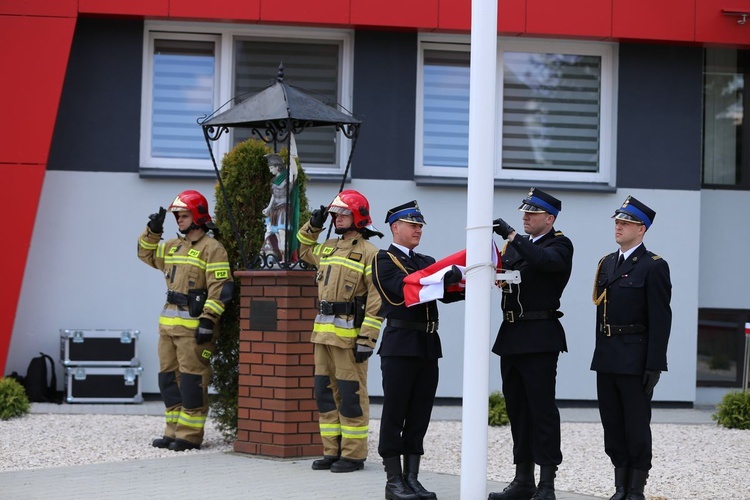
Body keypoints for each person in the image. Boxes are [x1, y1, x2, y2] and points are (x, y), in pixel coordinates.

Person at [372, 201, 465, 500]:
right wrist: (438, 279)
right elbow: (401, 290)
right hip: (400, 344)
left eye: (420, 225)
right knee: (395, 412)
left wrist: (462, 280)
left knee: (420, 414)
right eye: (412, 224)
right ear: (394, 227)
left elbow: (445, 294)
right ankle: (393, 480)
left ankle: (412, 477)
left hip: (427, 345)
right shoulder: (384, 260)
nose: (418, 229)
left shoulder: (426, 260)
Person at [488, 188, 574, 500]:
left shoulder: (559, 244)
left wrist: (511, 235)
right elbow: (509, 275)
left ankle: (546, 484)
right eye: (524, 211)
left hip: (539, 334)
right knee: (518, 409)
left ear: (549, 218)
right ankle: (522, 478)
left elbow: (542, 262)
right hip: (511, 334)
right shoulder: (516, 246)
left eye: (533, 213)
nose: (525, 216)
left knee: (541, 410)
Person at [137, 189, 234, 451]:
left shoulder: (212, 249)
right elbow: (145, 254)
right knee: (168, 381)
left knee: (192, 382)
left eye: (183, 214)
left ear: (198, 216)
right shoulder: (172, 246)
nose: (178, 219)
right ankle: (172, 431)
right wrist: (152, 230)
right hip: (168, 328)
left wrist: (208, 321)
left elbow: (221, 288)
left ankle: (189, 435)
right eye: (176, 215)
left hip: (194, 331)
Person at [296, 189, 384, 473]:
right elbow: (302, 249)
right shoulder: (328, 246)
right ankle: (331, 451)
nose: (337, 218)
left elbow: (376, 300)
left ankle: (353, 454)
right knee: (325, 394)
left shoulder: (370, 254)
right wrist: (314, 224)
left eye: (342, 213)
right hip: (322, 335)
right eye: (335, 214)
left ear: (358, 216)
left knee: (351, 397)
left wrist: (367, 339)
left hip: (350, 341)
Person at [590, 196, 672, 500]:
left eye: (625, 222)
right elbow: (602, 314)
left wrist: (654, 364)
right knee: (612, 425)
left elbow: (661, 319)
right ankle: (620, 487)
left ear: (642, 229)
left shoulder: (654, 266)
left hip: (636, 358)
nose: (618, 227)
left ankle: (636, 489)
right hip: (608, 357)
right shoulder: (607, 262)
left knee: (636, 425)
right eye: (617, 221)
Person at [261, 152, 299, 264]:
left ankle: (285, 259)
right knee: (277, 236)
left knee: (283, 235)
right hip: (274, 210)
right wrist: (268, 208)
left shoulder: (287, 179)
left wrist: (291, 159)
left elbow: (295, 174)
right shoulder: (273, 181)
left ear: (278, 167)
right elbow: (273, 196)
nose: (270, 170)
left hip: (283, 208)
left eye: (271, 167)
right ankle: (281, 258)